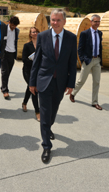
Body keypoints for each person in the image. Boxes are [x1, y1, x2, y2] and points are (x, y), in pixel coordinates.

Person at [29, 9, 77, 163]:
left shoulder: (71, 38)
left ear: (64, 21)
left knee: (53, 112)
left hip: (60, 82)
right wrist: (32, 82)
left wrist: (71, 83)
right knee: (44, 112)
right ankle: (46, 146)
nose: (54, 23)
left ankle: (48, 128)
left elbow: (72, 63)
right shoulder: (43, 36)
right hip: (44, 80)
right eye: (53, 20)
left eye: (58, 20)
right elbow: (36, 61)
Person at [70, 14, 103, 110]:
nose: (97, 23)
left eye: (98, 21)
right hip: (88, 60)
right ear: (91, 22)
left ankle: (94, 102)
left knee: (96, 82)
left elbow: (100, 47)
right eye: (95, 21)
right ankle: (73, 93)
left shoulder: (100, 33)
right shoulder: (85, 33)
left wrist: (100, 60)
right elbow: (80, 49)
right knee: (81, 80)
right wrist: (83, 60)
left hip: (97, 60)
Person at [22, 27, 40, 121]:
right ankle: (37, 112)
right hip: (27, 71)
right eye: (33, 32)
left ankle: (24, 103)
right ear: (30, 34)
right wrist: (33, 60)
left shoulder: (42, 45)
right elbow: (24, 59)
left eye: (37, 31)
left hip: (37, 72)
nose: (35, 33)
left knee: (30, 88)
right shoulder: (27, 45)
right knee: (34, 90)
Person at [0, 16, 20, 100]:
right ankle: (5, 90)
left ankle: (3, 86)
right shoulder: (4, 29)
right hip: (5, 53)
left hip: (12, 53)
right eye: (12, 25)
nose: (13, 27)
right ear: (9, 23)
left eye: (15, 26)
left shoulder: (17, 31)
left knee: (8, 72)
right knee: (4, 72)